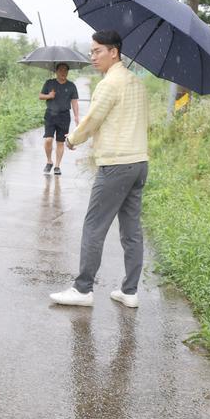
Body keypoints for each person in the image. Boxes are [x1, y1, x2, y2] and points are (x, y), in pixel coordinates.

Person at [49, 30, 149, 309]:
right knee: (131, 229)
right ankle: (129, 291)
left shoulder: (109, 84)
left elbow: (93, 119)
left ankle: (83, 289)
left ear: (113, 52)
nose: (92, 56)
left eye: (97, 51)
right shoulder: (137, 83)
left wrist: (72, 139)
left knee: (94, 226)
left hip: (116, 164)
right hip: (139, 161)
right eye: (91, 51)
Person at [40, 62, 80, 176]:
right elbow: (40, 96)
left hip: (64, 116)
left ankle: (57, 166)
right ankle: (49, 161)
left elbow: (74, 102)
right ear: (56, 71)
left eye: (65, 70)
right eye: (61, 70)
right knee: (48, 140)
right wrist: (49, 96)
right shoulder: (49, 83)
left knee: (60, 142)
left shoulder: (71, 86)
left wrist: (76, 116)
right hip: (50, 115)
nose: (63, 72)